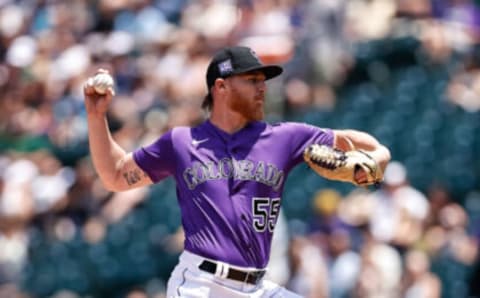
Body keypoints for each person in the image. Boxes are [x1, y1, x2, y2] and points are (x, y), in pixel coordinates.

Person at [83, 46, 391, 298]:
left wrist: (375, 160)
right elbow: (116, 175)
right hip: (201, 286)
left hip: (257, 286)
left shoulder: (285, 137)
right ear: (221, 87)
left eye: (263, 80)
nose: (262, 88)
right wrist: (96, 117)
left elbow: (369, 145)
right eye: (252, 80)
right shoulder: (181, 142)